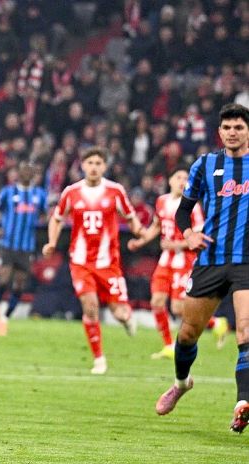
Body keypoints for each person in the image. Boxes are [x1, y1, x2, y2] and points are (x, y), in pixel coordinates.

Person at [154, 103, 249, 433]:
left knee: (245, 331)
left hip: (246, 261)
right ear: (220, 132)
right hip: (210, 259)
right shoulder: (206, 164)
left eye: (239, 127)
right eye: (227, 128)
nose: (232, 133)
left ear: (248, 131)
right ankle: (181, 383)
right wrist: (189, 233)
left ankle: (242, 403)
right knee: (188, 333)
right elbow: (183, 212)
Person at [42, 147, 143, 374]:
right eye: (90, 163)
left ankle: (126, 319)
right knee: (90, 307)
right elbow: (56, 219)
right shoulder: (71, 192)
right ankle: (99, 359)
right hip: (81, 262)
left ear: (104, 166)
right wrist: (52, 242)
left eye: (98, 163)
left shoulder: (115, 191)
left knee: (119, 313)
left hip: (109, 263)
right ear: (83, 165)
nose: (94, 167)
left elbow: (130, 217)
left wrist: (140, 232)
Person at [127, 169, 228, 359]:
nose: (182, 181)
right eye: (178, 177)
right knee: (156, 302)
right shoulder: (161, 201)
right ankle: (168, 345)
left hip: (185, 261)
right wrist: (140, 242)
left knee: (178, 309)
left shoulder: (193, 207)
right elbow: (157, 226)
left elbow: (199, 236)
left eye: (186, 178)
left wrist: (176, 245)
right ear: (170, 181)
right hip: (166, 261)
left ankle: (216, 323)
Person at [0, 161, 49, 336]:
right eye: (24, 170)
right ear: (18, 173)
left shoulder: (39, 194)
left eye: (30, 171)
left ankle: (5, 319)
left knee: (20, 284)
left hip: (26, 247)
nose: (27, 173)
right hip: (7, 244)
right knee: (3, 278)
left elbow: (46, 215)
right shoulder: (8, 192)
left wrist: (45, 220)